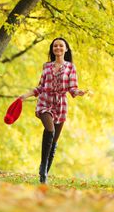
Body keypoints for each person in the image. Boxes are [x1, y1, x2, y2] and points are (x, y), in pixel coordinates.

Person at [20, 38, 87, 184]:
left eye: (61, 45)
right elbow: (40, 87)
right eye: (55, 46)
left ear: (66, 49)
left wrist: (79, 92)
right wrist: (25, 95)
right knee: (50, 130)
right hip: (45, 102)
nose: (58, 48)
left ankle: (44, 176)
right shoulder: (46, 66)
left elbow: (72, 88)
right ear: (52, 49)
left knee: (54, 142)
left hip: (61, 105)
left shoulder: (71, 67)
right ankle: (43, 166)